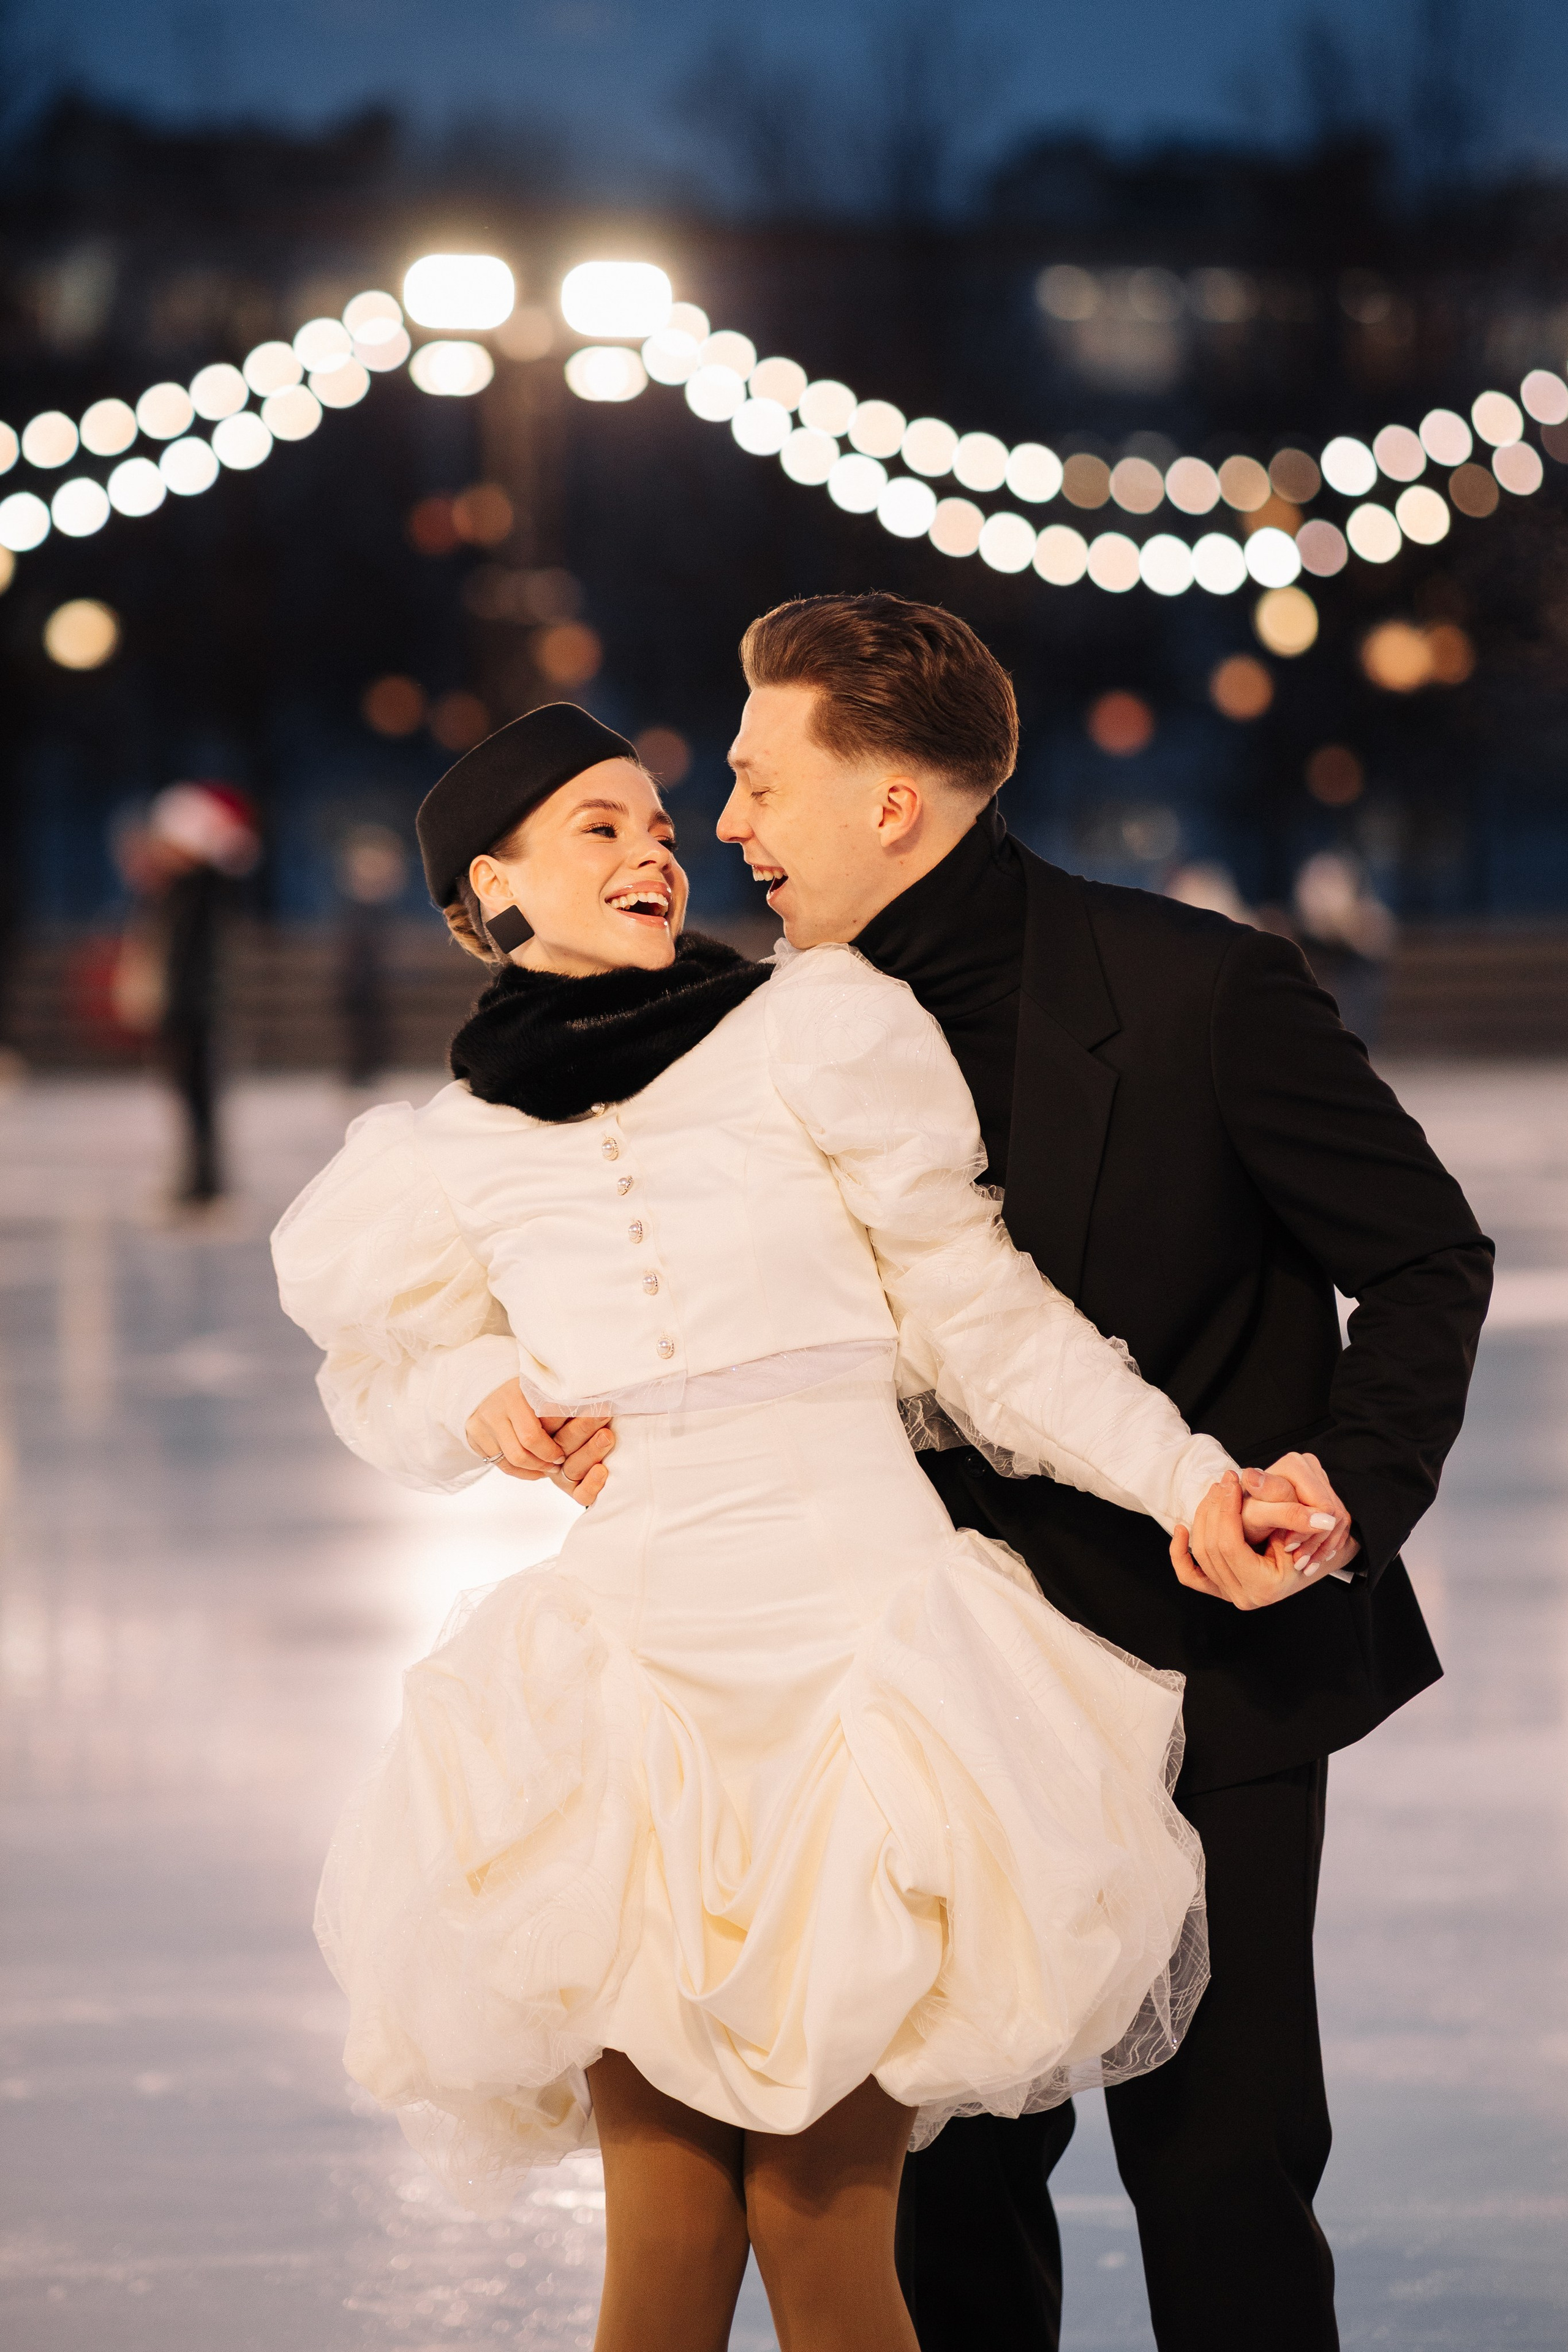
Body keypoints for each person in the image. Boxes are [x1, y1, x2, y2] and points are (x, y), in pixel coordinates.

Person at [272, 704, 1341, 2352]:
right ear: (495, 883)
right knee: (668, 2241)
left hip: (862, 1682)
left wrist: (1193, 1476)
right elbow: (387, 1364)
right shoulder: (450, 1156)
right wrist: (479, 1382)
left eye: (658, 822)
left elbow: (988, 1328)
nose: (654, 849)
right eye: (599, 829)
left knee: (822, 2228)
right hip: (635, 1707)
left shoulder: (810, 1033)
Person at [716, 594, 1493, 2352]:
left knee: (1220, 2177)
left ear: (891, 802)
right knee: (951, 2194)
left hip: (1203, 1664)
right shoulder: (752, 1051)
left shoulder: (1201, 991)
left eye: (762, 782)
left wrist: (1341, 1490)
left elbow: (1431, 1256)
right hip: (921, 1699)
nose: (733, 825)